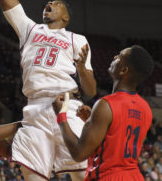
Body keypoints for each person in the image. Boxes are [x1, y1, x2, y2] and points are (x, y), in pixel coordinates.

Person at [0, 0, 97, 181]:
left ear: (66, 16)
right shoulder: (29, 29)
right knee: (33, 176)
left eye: (56, 3)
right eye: (48, 3)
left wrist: (81, 69)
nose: (49, 4)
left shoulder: (77, 39)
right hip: (35, 108)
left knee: (81, 175)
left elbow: (90, 91)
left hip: (67, 105)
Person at [53, 45, 154, 180]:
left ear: (124, 70)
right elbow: (117, 139)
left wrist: (61, 116)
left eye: (119, 57)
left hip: (108, 176)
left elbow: (78, 153)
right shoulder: (145, 108)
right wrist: (95, 119)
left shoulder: (106, 105)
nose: (114, 57)